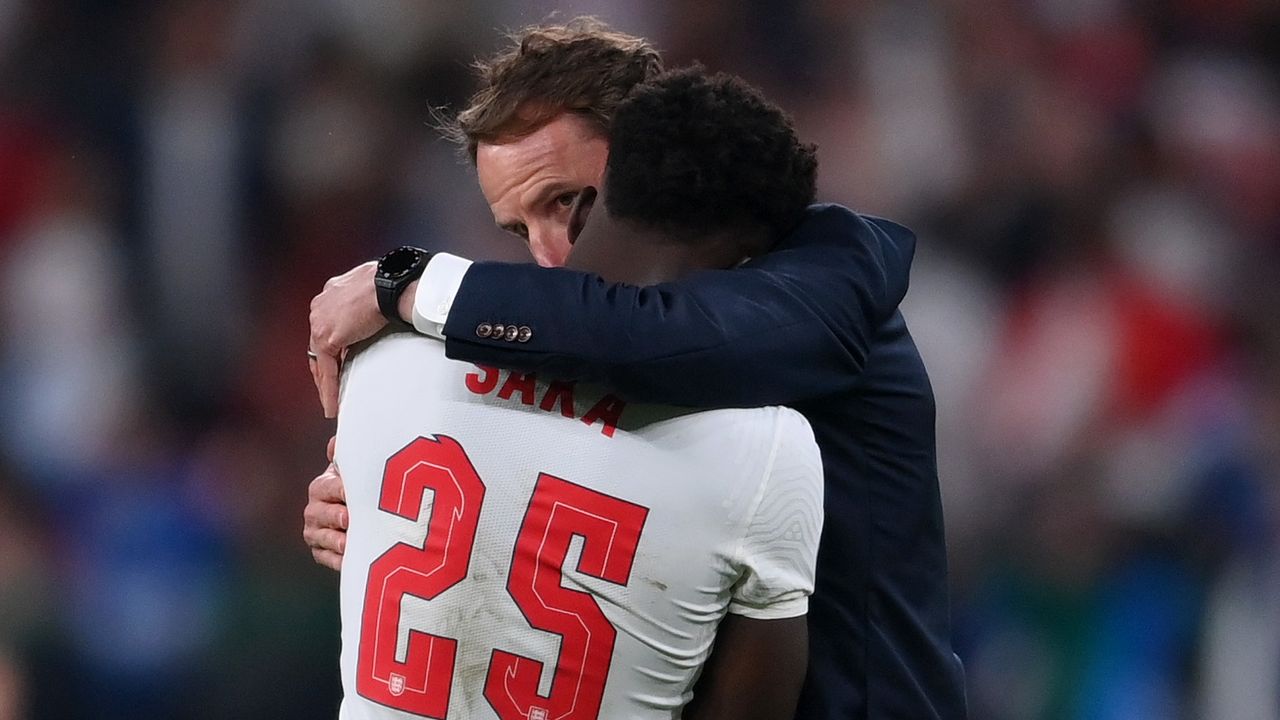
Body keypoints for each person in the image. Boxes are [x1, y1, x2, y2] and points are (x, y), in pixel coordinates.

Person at [307, 18, 968, 720]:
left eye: (565, 202)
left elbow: (669, 338)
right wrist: (377, 508)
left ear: (648, 153)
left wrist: (411, 284)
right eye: (518, 230)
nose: (550, 256)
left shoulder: (829, 272)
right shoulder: (595, 336)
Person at [335, 67, 824, 720]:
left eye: (554, 205)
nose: (541, 249)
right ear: (750, 268)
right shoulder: (768, 451)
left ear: (595, 200)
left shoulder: (383, 356)